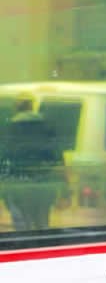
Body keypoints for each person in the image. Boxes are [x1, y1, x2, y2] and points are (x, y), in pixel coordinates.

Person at [0, 95, 65, 231]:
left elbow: (4, 157)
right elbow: (57, 156)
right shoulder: (47, 127)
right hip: (45, 182)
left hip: (19, 182)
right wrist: (63, 186)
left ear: (16, 108)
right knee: (42, 219)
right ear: (32, 107)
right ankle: (43, 239)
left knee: (23, 223)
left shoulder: (9, 129)